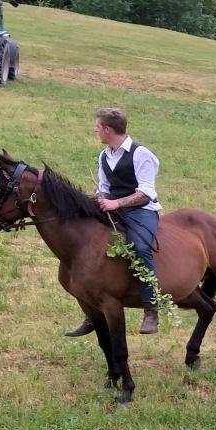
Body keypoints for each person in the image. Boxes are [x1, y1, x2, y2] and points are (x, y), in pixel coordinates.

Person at [65, 107, 163, 337]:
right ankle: (93, 314)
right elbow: (105, 189)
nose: (96, 131)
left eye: (98, 127)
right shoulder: (104, 155)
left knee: (140, 248)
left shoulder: (141, 154)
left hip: (141, 211)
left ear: (108, 129)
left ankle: (151, 308)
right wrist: (100, 199)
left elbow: (146, 193)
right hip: (113, 208)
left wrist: (116, 204)